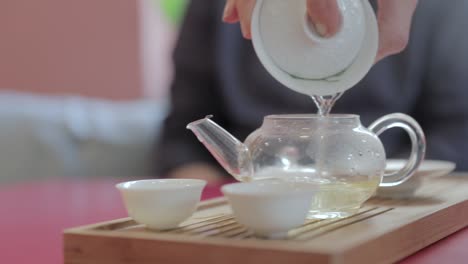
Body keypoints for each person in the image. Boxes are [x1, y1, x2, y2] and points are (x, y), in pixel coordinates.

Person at [154, 0, 468, 183]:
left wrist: (370, 182)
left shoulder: (439, 10)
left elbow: (458, 129)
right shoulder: (216, 7)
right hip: (253, 195)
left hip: (385, 199)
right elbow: (183, 132)